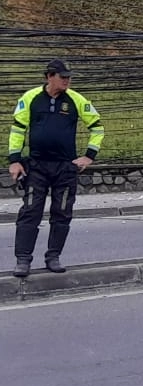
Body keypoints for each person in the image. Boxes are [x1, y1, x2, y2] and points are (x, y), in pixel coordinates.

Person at [8, 59, 105, 278]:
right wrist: (14, 160)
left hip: (65, 167)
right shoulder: (30, 97)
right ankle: (23, 260)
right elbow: (17, 130)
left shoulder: (76, 99)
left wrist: (89, 156)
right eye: (63, 77)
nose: (67, 81)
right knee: (30, 212)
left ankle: (53, 257)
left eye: (69, 77)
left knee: (62, 213)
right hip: (37, 167)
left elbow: (97, 128)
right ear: (49, 76)